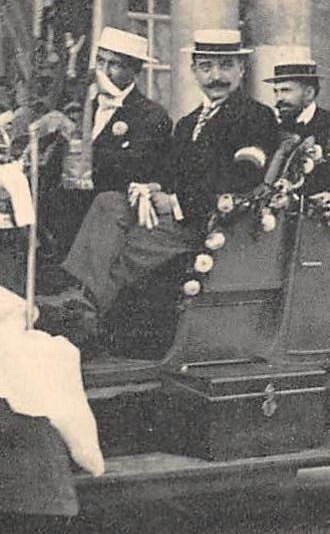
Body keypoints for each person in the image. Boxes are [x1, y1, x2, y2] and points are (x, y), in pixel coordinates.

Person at [46, 28, 278, 336]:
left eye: (225, 66)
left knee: (129, 242)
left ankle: (85, 312)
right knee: (109, 202)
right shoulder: (188, 124)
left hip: (211, 221)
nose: (216, 76)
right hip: (176, 216)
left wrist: (177, 202)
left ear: (241, 69)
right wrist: (153, 188)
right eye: (206, 67)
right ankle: (79, 295)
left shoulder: (255, 116)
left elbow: (243, 176)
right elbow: (169, 173)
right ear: (194, 71)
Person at [42, 26, 172, 259]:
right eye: (100, 61)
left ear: (135, 70)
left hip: (112, 213)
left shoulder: (152, 116)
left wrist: (83, 151)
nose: (103, 72)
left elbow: (135, 166)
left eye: (114, 65)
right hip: (66, 210)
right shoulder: (83, 108)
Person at [264, 60, 330, 195]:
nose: (278, 99)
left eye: (286, 90)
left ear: (309, 93)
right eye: (276, 92)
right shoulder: (276, 130)